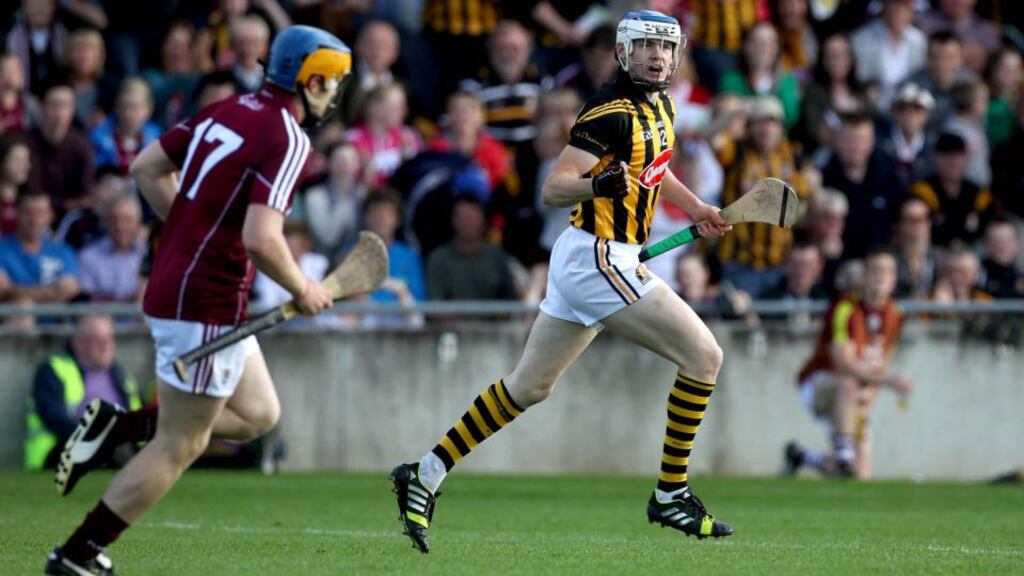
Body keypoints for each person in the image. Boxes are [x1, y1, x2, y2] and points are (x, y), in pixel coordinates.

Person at [390, 11, 733, 554]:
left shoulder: (662, 106)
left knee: (529, 387)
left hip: (593, 259)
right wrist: (600, 185)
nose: (656, 56)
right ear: (624, 53)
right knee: (704, 358)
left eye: (665, 47)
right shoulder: (609, 113)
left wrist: (697, 207)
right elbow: (554, 189)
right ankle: (671, 492)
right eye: (645, 46)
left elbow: (654, 168)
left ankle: (425, 472)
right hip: (597, 257)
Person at [44, 26, 351, 575]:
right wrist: (302, 287)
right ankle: (77, 556)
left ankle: (120, 426)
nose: (334, 95)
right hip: (205, 302)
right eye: (333, 83)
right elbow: (262, 237)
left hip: (178, 283)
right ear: (313, 79)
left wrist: (191, 232)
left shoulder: (228, 108)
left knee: (259, 413)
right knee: (180, 445)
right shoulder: (290, 137)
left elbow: (144, 168)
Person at [786, 247, 913, 480]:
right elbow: (842, 363)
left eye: (888, 271)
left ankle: (803, 457)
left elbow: (879, 363)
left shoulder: (895, 314)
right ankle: (844, 451)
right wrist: (889, 381)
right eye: (876, 270)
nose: (881, 277)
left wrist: (865, 404)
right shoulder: (845, 307)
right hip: (819, 384)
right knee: (848, 382)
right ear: (863, 276)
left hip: (853, 395)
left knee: (858, 475)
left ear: (895, 278)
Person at [25, 315, 143, 471]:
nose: (104, 346)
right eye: (96, 339)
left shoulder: (124, 378)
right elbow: (53, 416)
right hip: (63, 450)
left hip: (117, 446)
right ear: (77, 343)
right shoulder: (55, 369)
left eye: (109, 339)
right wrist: (94, 438)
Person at [0, 189, 79, 305]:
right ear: (16, 213)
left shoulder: (64, 252)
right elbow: (2, 290)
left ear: (51, 216)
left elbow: (70, 289)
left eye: (40, 213)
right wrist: (52, 292)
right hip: (14, 321)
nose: (34, 220)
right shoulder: (2, 250)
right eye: (28, 213)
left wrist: (16, 292)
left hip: (57, 321)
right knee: (22, 308)